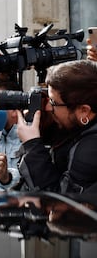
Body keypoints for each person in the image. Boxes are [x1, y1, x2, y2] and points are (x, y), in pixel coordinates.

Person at [16, 60, 97, 194]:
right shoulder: (80, 126)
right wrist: (44, 127)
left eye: (53, 102)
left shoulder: (91, 149)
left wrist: (32, 146)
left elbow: (60, 202)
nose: (48, 107)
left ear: (84, 110)